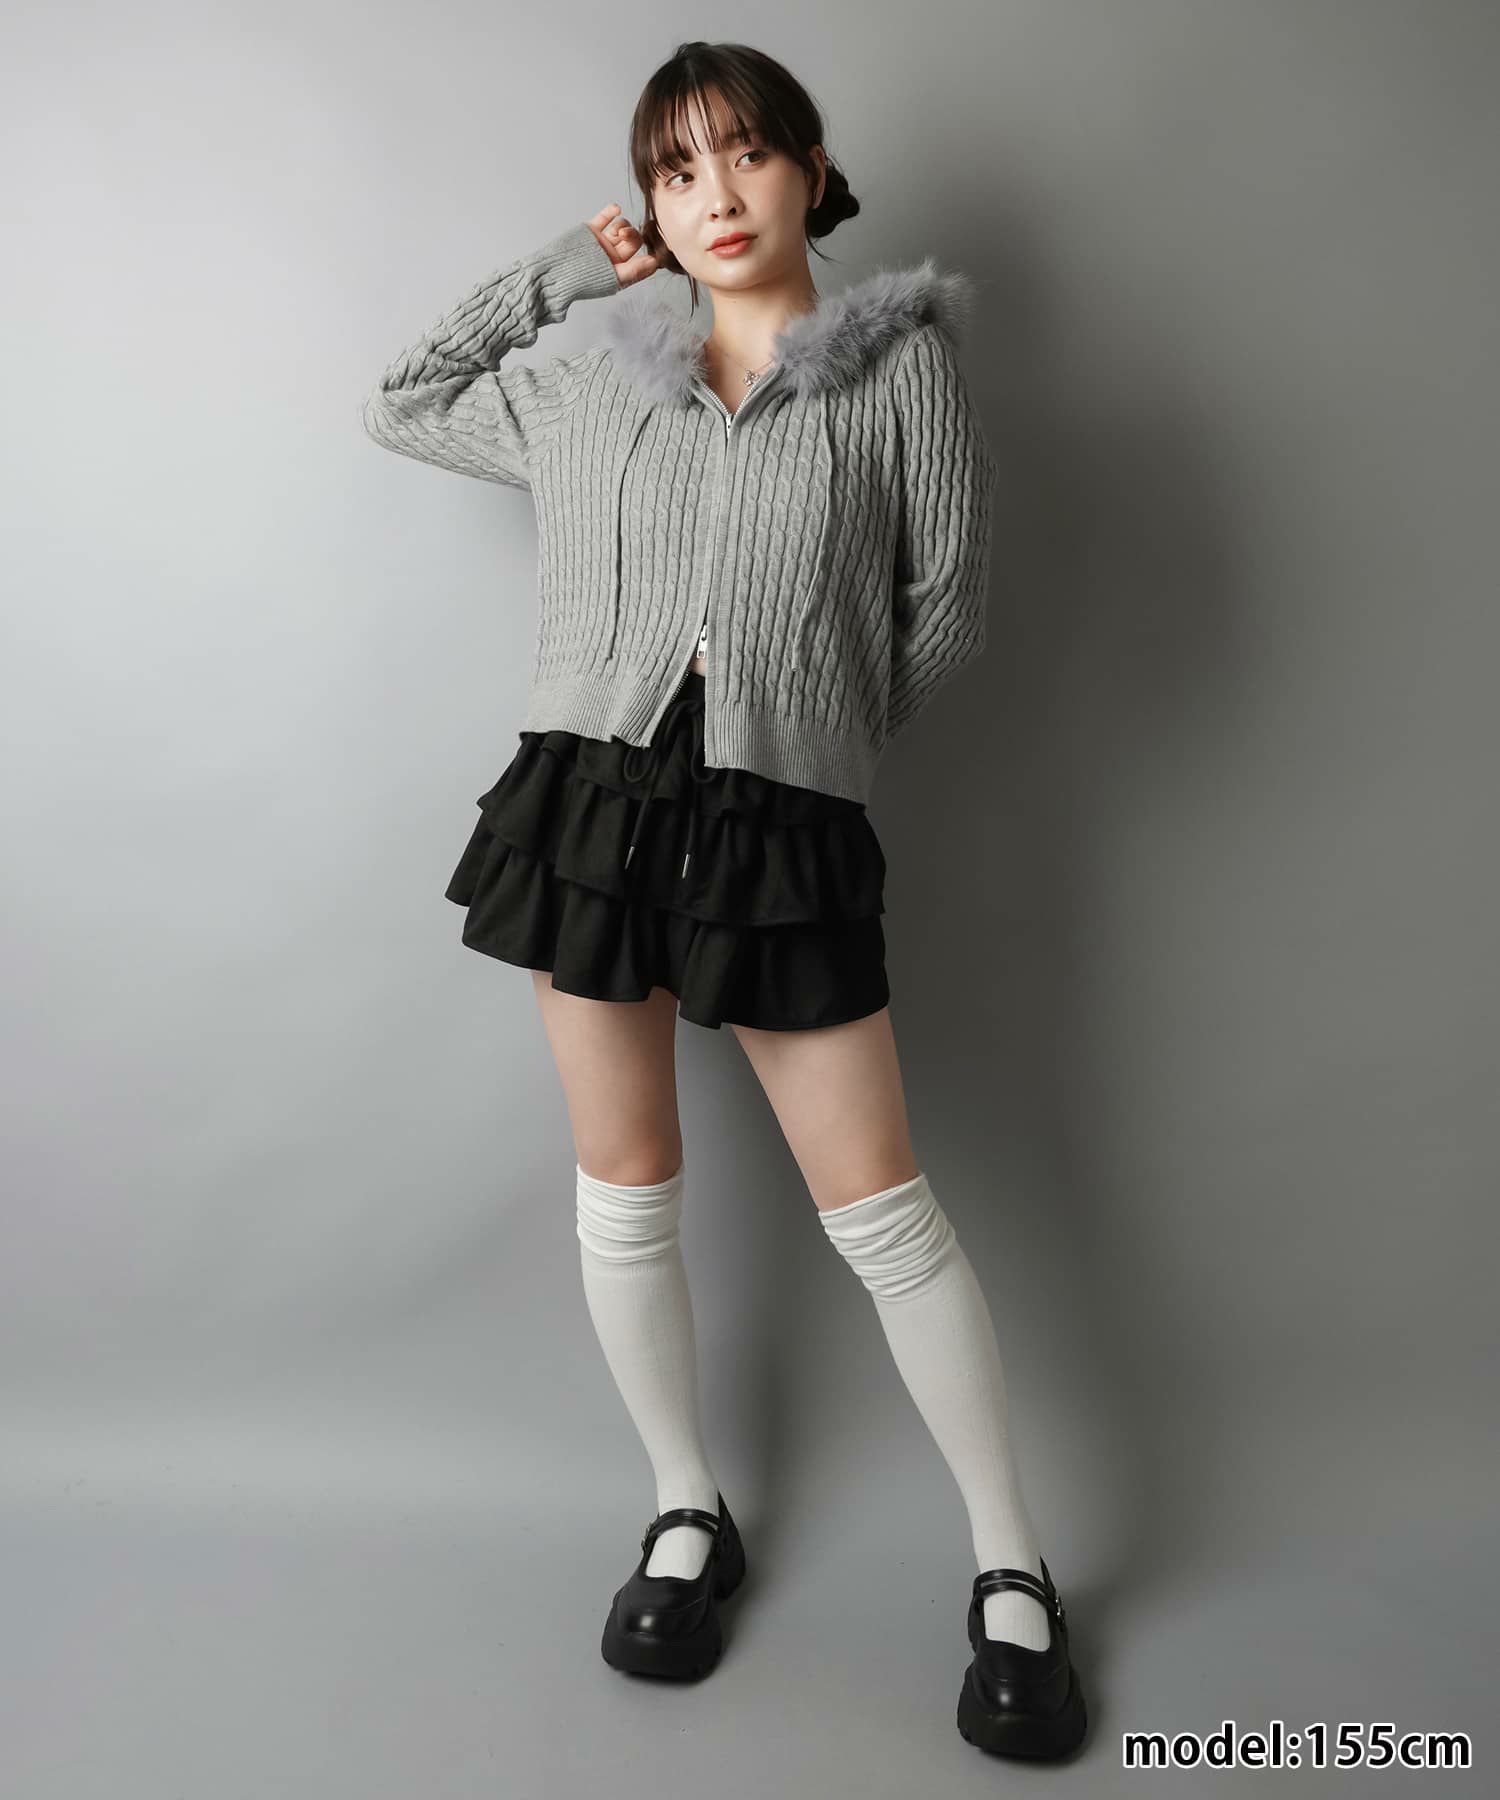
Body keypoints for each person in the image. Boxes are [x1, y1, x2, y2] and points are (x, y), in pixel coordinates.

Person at [362, 38, 1086, 1763]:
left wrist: (807, 734)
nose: (715, 194)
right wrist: (564, 270)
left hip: (779, 821)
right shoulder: (591, 381)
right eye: (676, 169)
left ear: (811, 169)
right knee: (627, 1187)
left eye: (745, 154)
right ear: (652, 204)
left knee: (881, 1209)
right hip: (589, 804)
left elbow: (947, 606)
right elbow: (400, 398)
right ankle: (686, 1505)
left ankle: (1012, 1563)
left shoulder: (900, 369)